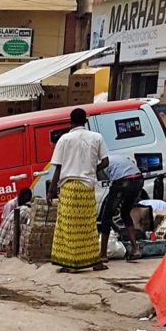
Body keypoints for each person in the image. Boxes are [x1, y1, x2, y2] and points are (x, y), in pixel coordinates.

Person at [47, 107, 108, 272]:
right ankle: (94, 262)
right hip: (86, 187)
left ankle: (69, 263)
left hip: (68, 187)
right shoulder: (97, 137)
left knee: (67, 226)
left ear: (70, 121)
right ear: (86, 121)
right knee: (88, 226)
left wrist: (51, 190)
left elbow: (58, 168)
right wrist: (91, 169)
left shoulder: (64, 139)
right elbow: (105, 161)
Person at [99, 153, 144, 261]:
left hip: (123, 181)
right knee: (125, 213)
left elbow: (99, 179)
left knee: (106, 216)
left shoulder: (98, 164)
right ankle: (135, 249)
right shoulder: (116, 157)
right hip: (138, 180)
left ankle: (103, 254)